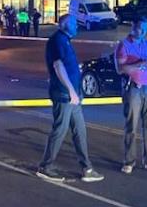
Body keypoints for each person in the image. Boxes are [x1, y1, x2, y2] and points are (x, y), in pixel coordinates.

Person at [36, 14, 104, 184]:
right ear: (64, 24)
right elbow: (58, 66)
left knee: (80, 131)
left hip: (72, 96)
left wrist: (76, 92)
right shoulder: (57, 40)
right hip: (64, 95)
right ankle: (46, 166)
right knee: (60, 130)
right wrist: (71, 91)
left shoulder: (66, 40)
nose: (77, 26)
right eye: (74, 24)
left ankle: (87, 168)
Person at [116, 18, 147, 175]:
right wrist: (141, 63)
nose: (142, 32)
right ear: (133, 26)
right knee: (131, 126)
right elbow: (120, 69)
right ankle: (129, 161)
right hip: (133, 88)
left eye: (145, 29)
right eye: (139, 28)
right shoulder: (124, 45)